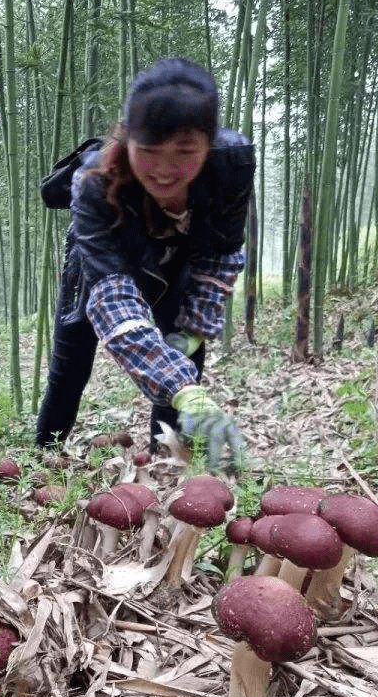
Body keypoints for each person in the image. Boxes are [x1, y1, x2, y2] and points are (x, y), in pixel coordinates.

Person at [36, 58, 253, 472]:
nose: (166, 169)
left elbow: (220, 253)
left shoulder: (233, 165)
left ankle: (165, 464)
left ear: (209, 144)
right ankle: (41, 461)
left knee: (185, 356)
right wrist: (178, 385)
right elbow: (113, 299)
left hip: (179, 262)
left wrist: (191, 332)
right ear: (126, 138)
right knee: (71, 361)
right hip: (100, 267)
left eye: (185, 152)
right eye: (149, 151)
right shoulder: (93, 184)